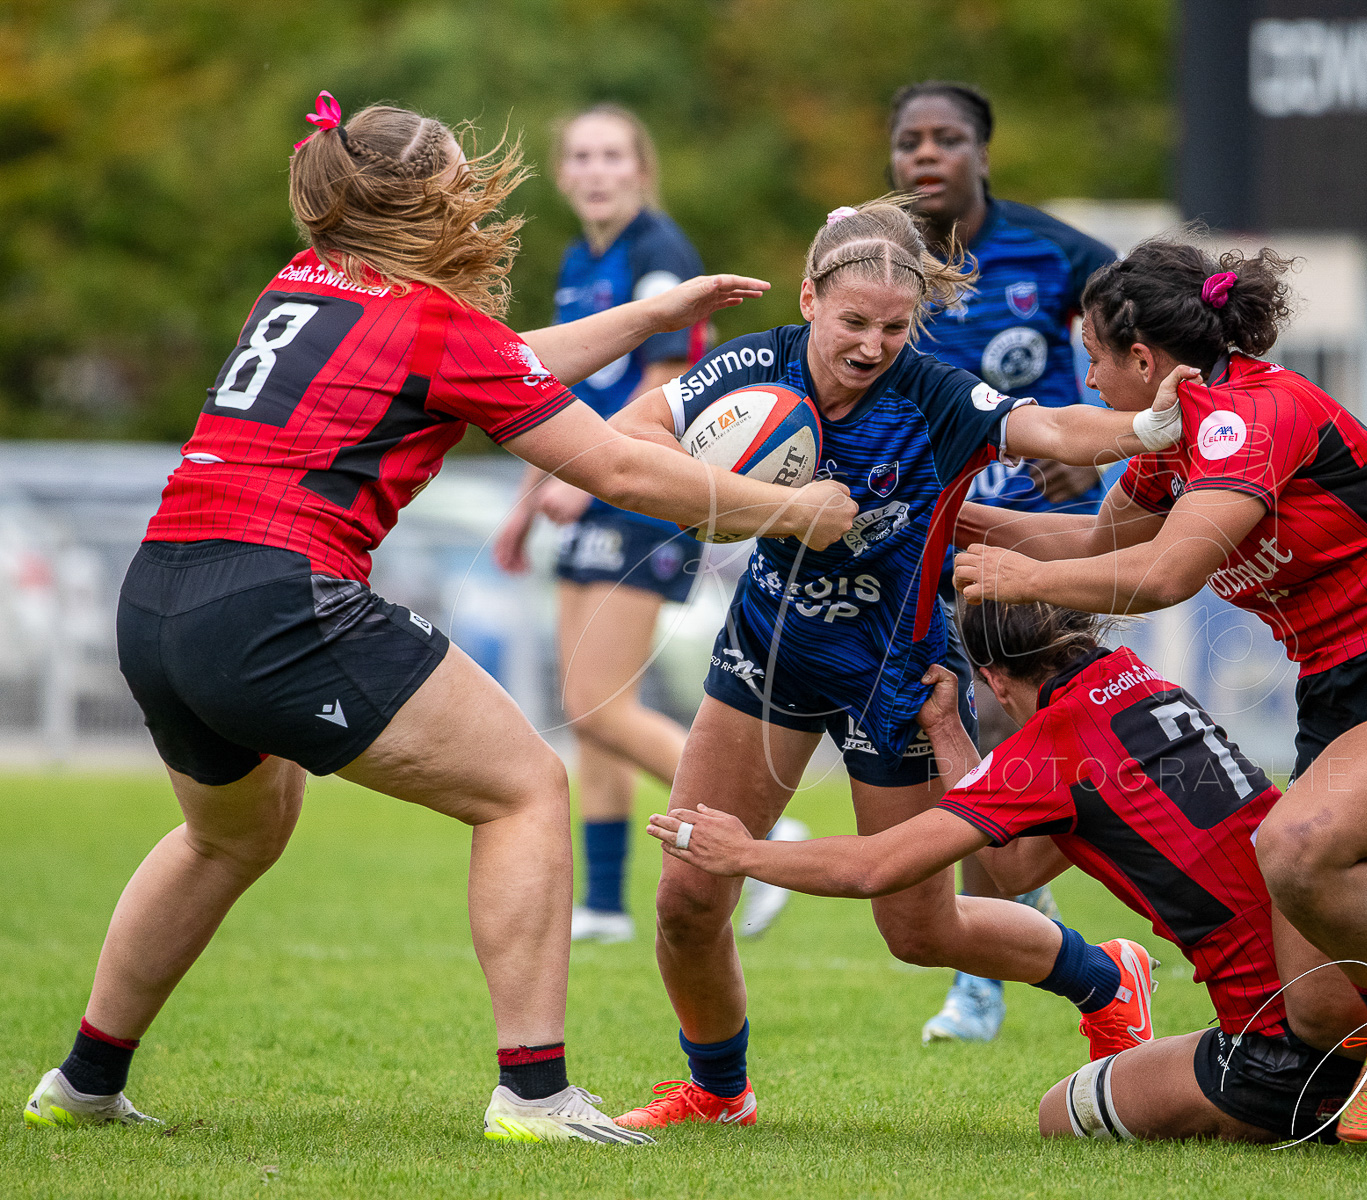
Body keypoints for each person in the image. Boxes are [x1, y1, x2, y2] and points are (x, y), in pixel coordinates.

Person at [19, 93, 855, 1146]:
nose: (474, 191)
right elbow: (614, 468)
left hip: (159, 598)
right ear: (428, 199)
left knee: (228, 837)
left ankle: (84, 1081)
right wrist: (799, 512)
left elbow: (491, 363)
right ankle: (536, 1093)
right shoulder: (433, 324)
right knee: (523, 790)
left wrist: (646, 318)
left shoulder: (301, 284)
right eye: (461, 177)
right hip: (280, 598)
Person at [651, 601, 1367, 1153]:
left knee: (1065, 1118)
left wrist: (744, 850)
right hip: (1353, 911)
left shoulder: (1048, 753)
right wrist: (956, 736)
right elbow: (1017, 863)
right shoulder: (1137, 683)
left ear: (996, 671)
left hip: (1283, 1014)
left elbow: (886, 864)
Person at [603, 195, 1187, 1130]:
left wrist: (1143, 433)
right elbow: (631, 435)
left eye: (893, 326)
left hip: (897, 681)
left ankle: (1104, 974)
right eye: (853, 323)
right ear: (808, 300)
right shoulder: (759, 366)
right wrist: (743, 497)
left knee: (921, 932)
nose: (873, 344)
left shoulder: (935, 395)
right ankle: (719, 1092)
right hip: (770, 650)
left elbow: (1047, 430)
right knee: (686, 896)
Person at [951, 236, 1367, 1141]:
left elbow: (1159, 579)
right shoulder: (1175, 443)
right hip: (1346, 695)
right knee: (1318, 1006)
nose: (1087, 374)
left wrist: (1011, 581)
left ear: (1144, 359)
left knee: (1298, 844)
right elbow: (1088, 548)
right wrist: (925, 513)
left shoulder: (1250, 413)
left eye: (1092, 355)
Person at [491, 104, 801, 945]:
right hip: (586, 487)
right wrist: (529, 503)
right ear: (564, 173)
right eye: (582, 156)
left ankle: (764, 837)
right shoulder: (580, 258)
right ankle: (600, 902)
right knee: (592, 703)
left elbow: (666, 380)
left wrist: (582, 484)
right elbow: (548, 397)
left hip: (631, 491)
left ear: (639, 168)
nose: (595, 169)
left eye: (612, 156)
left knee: (595, 704)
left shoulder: (660, 253)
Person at [889, 79, 1118, 1044]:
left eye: (946, 139)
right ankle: (995, 960)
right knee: (967, 721)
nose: (925, 157)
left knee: (1015, 720)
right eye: (909, 142)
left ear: (984, 151)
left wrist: (1093, 450)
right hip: (927, 533)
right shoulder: (882, 261)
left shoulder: (1055, 253)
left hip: (1041, 540)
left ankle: (1018, 936)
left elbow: (1144, 342)